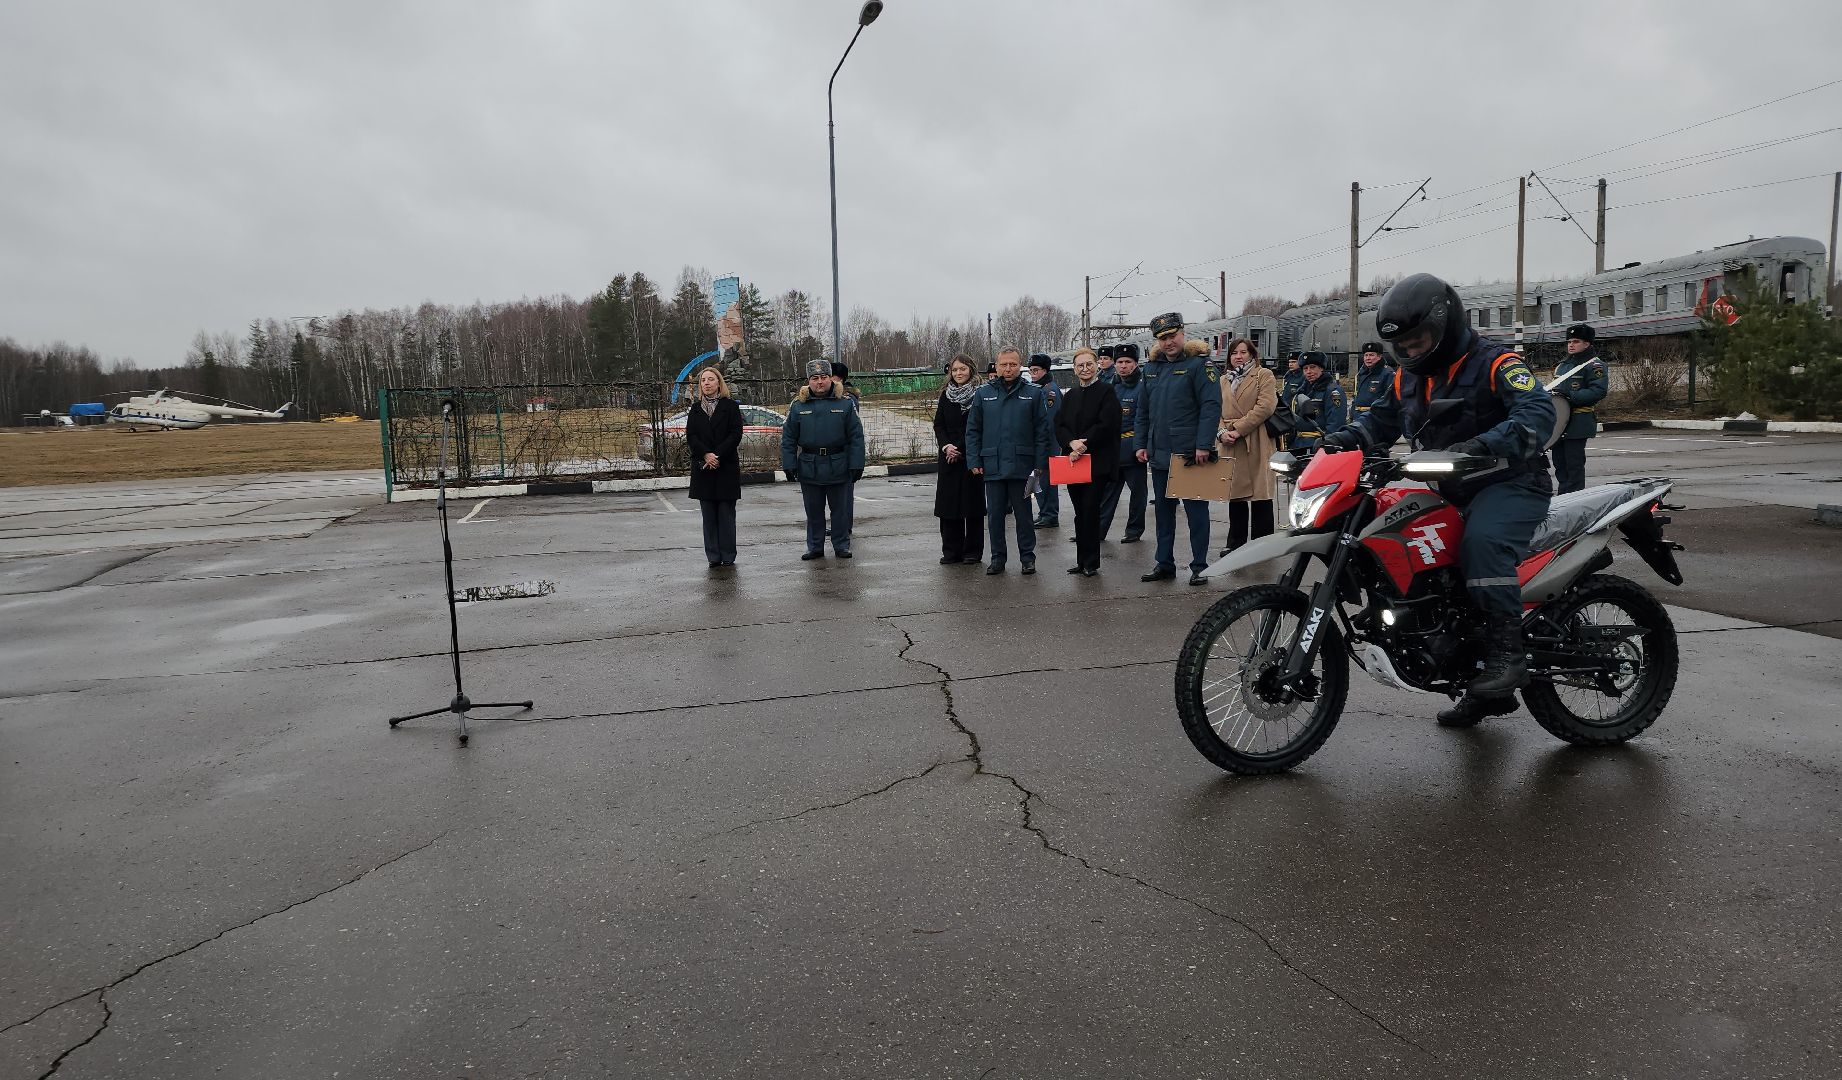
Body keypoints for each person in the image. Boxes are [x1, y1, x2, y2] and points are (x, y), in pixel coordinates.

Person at [1317, 272, 1556, 728]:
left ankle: (1508, 659)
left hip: (1510, 483)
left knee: (1481, 545)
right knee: (1407, 547)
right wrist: (1339, 442)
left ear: (1447, 323)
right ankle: (1469, 673)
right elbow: (1379, 424)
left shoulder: (1495, 362)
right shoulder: (1407, 377)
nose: (1410, 350)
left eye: (1418, 339)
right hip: (1449, 486)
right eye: (1402, 344)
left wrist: (1482, 446)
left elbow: (1537, 415)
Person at [1133, 312, 1222, 586]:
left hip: (1189, 455)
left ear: (1182, 333)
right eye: (1163, 338)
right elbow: (1143, 411)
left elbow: (1211, 407)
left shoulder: (1200, 366)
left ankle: (1199, 566)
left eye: (1172, 336)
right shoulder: (1150, 370)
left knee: (1196, 514)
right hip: (1159, 455)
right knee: (1163, 512)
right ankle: (1165, 563)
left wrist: (1203, 444)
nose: (1168, 342)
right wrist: (1140, 444)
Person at [965, 347, 1053, 575]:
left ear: (1019, 365)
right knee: (995, 517)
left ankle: (1027, 558)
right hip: (992, 466)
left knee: (1024, 515)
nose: (1008, 368)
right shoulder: (983, 394)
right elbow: (973, 430)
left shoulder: (1034, 393)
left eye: (1013, 364)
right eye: (1004, 364)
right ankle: (997, 558)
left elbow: (1042, 432)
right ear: (997, 365)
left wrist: (1040, 466)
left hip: (1024, 467)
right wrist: (974, 459)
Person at [780, 358, 866, 560]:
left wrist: (856, 464)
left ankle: (841, 545)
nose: (820, 382)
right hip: (810, 465)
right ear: (809, 381)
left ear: (831, 379)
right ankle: (815, 547)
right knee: (814, 511)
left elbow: (856, 437)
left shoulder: (844, 404)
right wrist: (789, 464)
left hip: (838, 463)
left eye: (824, 377)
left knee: (840, 511)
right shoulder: (798, 406)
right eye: (815, 378)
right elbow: (788, 438)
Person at [1055, 348, 1120, 576]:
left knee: (1091, 510)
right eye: (1080, 366)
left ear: (1096, 366)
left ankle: (1091, 562)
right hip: (1073, 462)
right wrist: (1071, 443)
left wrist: (1084, 444)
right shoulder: (1070, 395)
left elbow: (1108, 424)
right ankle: (1081, 560)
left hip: (1096, 463)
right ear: (1074, 369)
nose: (1085, 369)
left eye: (1089, 364)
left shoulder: (1106, 391)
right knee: (1079, 512)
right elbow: (1060, 425)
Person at [1214, 338, 1278, 555]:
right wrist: (1222, 432)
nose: (1238, 356)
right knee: (1235, 494)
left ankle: (1262, 544)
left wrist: (1238, 428)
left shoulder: (1263, 375)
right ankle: (1235, 542)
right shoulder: (1223, 380)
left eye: (1243, 352)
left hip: (1256, 438)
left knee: (1261, 493)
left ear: (1252, 354)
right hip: (1230, 442)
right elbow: (1215, 410)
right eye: (1234, 353)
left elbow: (1266, 406)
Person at [685, 366, 743, 568]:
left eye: (711, 379)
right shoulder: (695, 409)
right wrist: (706, 455)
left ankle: (728, 555)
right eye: (703, 380)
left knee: (726, 516)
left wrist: (717, 454)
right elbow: (691, 436)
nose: (706, 383)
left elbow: (735, 434)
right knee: (708, 516)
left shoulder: (731, 407)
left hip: (725, 467)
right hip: (704, 468)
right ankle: (713, 556)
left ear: (719, 383)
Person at [932, 354, 987, 564]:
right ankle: (951, 551)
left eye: (962, 369)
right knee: (949, 506)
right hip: (948, 457)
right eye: (955, 370)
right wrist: (947, 446)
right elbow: (939, 424)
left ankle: (972, 551)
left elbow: (978, 427)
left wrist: (961, 448)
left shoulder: (980, 394)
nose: (958, 373)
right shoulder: (946, 395)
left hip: (970, 457)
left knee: (971, 506)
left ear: (971, 370)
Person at [1097, 342, 1147, 544]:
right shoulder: (1110, 387)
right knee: (1107, 494)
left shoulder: (1143, 387)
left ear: (1136, 364)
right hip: (1112, 450)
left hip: (1133, 449)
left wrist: (1140, 446)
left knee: (1137, 494)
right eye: (1119, 362)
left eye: (1128, 362)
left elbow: (1143, 419)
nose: (1123, 366)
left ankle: (1134, 530)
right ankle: (1098, 531)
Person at [1551, 324, 1609, 494]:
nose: (1571, 345)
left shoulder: (1595, 365)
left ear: (1587, 344)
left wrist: (1570, 396)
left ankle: (1574, 500)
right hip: (1559, 423)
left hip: (1578, 423)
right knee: (1560, 465)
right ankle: (1563, 498)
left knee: (1574, 465)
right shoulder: (1562, 366)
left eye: (1576, 341)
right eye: (1569, 341)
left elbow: (1598, 391)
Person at [1027, 354, 1061, 529]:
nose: (1032, 374)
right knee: (1037, 480)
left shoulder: (1050, 391)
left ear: (1045, 370)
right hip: (1038, 444)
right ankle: (1044, 512)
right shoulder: (1039, 388)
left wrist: (1044, 444)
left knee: (1045, 481)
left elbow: (1048, 421)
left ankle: (1050, 514)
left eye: (1036, 370)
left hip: (1046, 444)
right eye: (1031, 370)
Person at [1287, 353, 1346, 453]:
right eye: (1305, 368)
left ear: (1321, 368)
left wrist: (1327, 444)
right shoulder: (1301, 391)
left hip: (1318, 445)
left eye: (1313, 367)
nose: (1309, 372)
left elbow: (1335, 423)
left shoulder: (1332, 391)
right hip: (1298, 445)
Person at [1352, 341, 1392, 418]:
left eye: (1371, 355)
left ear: (1379, 357)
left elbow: (1390, 400)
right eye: (1366, 355)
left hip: (1376, 418)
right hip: (1358, 418)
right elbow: (1355, 398)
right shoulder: (1360, 375)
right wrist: (1352, 415)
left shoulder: (1388, 374)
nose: (1368, 358)